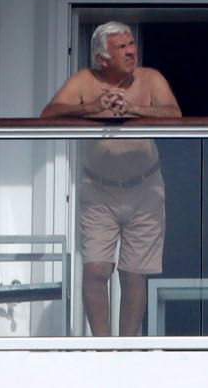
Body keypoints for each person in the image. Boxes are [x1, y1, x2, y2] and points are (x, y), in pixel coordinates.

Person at [42, 21, 182, 335]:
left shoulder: (150, 78)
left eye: (132, 44)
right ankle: (102, 347)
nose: (131, 51)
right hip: (99, 189)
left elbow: (175, 114)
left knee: (134, 275)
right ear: (102, 58)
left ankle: (126, 349)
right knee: (95, 270)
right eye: (122, 47)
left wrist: (133, 109)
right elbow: (49, 114)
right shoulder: (84, 80)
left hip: (145, 187)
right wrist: (93, 108)